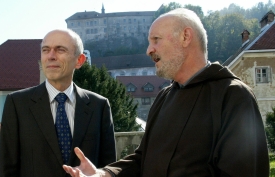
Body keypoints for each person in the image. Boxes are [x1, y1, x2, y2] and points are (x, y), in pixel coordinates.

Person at [63, 8, 269, 177]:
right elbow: (143, 159)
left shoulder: (233, 96)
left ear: (186, 37)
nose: (149, 50)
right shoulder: (164, 97)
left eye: (156, 39)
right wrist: (104, 174)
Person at [0, 29, 116, 176]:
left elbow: (108, 168)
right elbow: (6, 168)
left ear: (79, 60)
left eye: (60, 50)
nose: (51, 56)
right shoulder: (17, 104)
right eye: (45, 50)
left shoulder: (99, 106)